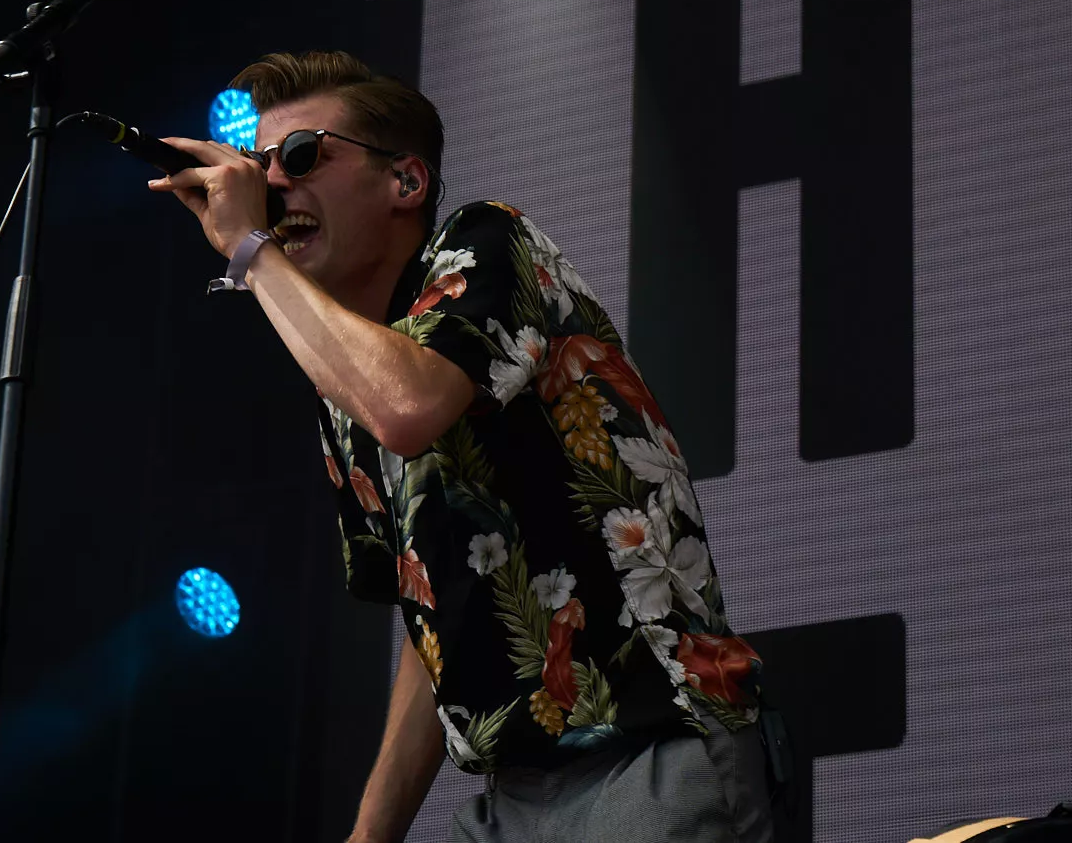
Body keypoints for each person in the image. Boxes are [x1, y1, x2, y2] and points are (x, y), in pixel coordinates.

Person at [149, 51, 774, 843]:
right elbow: (437, 619)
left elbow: (407, 405)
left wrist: (249, 250)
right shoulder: (344, 389)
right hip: (515, 790)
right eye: (260, 163)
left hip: (650, 749)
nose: (271, 184)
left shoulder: (485, 242)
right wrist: (370, 835)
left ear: (405, 181)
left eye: (301, 156)